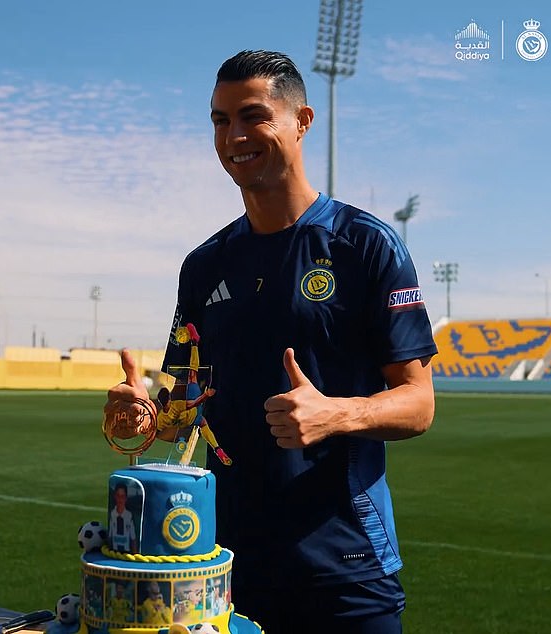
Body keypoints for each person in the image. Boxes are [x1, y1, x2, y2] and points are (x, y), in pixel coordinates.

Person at [105, 50, 437, 633]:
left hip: (345, 569)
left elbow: (418, 402)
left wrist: (337, 415)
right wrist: (145, 416)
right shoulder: (203, 266)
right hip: (220, 570)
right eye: (220, 120)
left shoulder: (366, 246)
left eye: (253, 115)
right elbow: (187, 407)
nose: (234, 135)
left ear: (302, 120)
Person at [155, 323, 232, 466]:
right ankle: (194, 342)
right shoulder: (177, 405)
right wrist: (206, 395)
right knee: (192, 373)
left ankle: (218, 449)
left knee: (203, 423)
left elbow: (155, 433)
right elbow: (195, 403)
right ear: (169, 400)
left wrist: (143, 447)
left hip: (192, 422)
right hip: (194, 408)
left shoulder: (161, 418)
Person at [108, 481, 137, 553]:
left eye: (122, 496)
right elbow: (110, 535)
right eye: (118, 495)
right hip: (114, 551)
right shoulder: (112, 514)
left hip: (126, 551)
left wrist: (135, 553)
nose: (120, 499)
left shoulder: (129, 515)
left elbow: (133, 537)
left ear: (126, 498)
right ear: (115, 496)